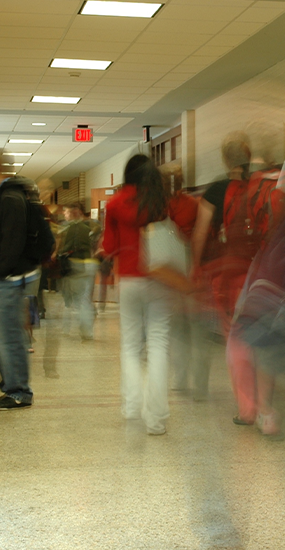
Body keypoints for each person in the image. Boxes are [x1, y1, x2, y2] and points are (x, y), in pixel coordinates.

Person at [103, 154, 186, 435]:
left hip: (128, 279)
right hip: (160, 277)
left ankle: (131, 406)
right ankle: (157, 417)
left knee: (130, 346)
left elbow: (109, 245)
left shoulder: (114, 205)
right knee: (159, 344)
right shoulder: (161, 203)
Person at [190, 132, 258, 426]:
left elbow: (201, 232)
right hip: (260, 272)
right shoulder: (260, 185)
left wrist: (195, 267)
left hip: (226, 274)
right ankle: (268, 407)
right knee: (259, 337)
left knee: (237, 339)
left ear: (225, 159)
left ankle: (248, 408)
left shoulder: (216, 190)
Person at [0, 148, 49, 410]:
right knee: (10, 335)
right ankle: (14, 387)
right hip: (14, 276)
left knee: (5, 337)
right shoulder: (16, 193)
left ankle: (18, 391)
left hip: (9, 278)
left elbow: (12, 239)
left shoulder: (9, 197)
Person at [161, 163, 210, 400]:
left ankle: (179, 378)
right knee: (198, 331)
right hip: (193, 272)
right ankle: (200, 385)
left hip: (170, 276)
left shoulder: (158, 208)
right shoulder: (194, 204)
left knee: (177, 330)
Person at [59, 202, 98, 341]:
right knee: (84, 299)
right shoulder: (92, 225)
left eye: (67, 212)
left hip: (76, 264)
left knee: (78, 300)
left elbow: (69, 247)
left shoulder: (74, 227)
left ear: (75, 212)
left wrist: (60, 254)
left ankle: (83, 330)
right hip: (90, 264)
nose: (65, 214)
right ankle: (86, 330)